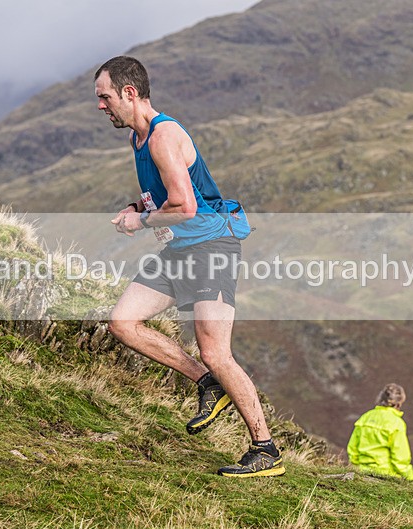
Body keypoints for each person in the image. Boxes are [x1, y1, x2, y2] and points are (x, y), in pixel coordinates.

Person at [94, 56, 284, 477]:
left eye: (105, 97)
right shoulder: (139, 140)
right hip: (179, 249)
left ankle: (265, 450)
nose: (101, 106)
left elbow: (185, 206)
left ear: (129, 92)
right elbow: (164, 195)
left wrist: (140, 221)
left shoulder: (163, 136)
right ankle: (206, 384)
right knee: (123, 322)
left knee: (216, 350)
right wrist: (137, 207)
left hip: (211, 246)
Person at [347, 383, 413, 480]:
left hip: (361, 471)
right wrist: (410, 478)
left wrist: (355, 467)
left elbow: (352, 449)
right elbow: (400, 459)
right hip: (386, 474)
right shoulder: (397, 423)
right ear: (399, 403)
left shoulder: (366, 417)